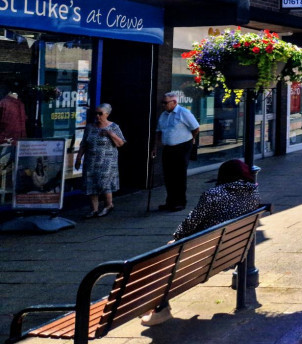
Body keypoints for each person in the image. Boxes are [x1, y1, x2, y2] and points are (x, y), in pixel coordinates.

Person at [141, 158, 261, 326]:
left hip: (205, 255)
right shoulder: (253, 193)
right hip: (232, 252)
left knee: (162, 259)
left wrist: (175, 238)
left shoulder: (213, 194)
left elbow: (191, 223)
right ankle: (155, 305)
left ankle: (161, 309)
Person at [151, 91, 200, 212]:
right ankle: (170, 201)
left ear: (174, 102)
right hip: (168, 148)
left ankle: (180, 202)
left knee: (179, 175)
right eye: (162, 103)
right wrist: (155, 147)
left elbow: (196, 128)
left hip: (182, 147)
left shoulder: (183, 113)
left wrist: (191, 139)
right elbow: (159, 131)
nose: (163, 105)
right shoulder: (164, 115)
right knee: (168, 175)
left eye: (165, 103)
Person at [75, 103, 125, 218]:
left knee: (104, 183)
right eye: (96, 113)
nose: (97, 116)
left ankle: (109, 205)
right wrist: (78, 158)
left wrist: (110, 134)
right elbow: (84, 144)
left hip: (107, 161)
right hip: (91, 160)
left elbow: (121, 143)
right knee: (91, 183)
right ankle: (94, 209)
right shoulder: (90, 127)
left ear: (107, 114)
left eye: (100, 113)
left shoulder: (113, 127)